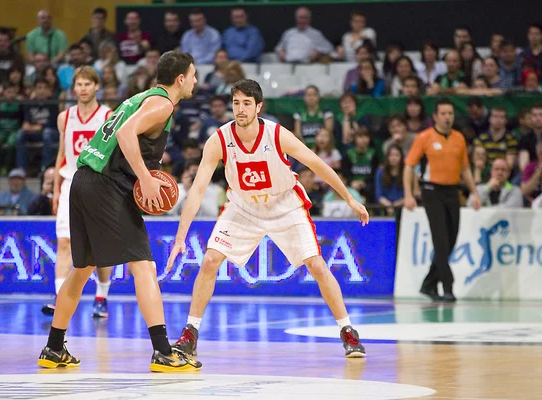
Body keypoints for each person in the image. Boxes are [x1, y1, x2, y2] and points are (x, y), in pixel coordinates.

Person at [165, 79, 369, 361]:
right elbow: (198, 189)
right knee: (210, 259)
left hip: (284, 204)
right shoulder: (219, 140)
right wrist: (180, 236)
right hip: (243, 206)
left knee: (317, 265)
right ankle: (190, 334)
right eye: (236, 103)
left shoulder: (276, 134)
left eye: (247, 103)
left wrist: (348, 198)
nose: (240, 109)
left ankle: (347, 331)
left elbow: (316, 163)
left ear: (259, 107)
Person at [37, 51, 200, 372]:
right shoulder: (163, 103)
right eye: (193, 75)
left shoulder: (140, 97)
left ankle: (54, 347)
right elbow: (126, 134)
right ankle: (163, 351)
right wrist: (145, 179)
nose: (196, 81)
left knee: (82, 267)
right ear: (180, 79)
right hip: (105, 185)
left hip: (82, 179)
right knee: (143, 264)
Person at [40, 66, 114, 318]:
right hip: (70, 181)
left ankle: (102, 295)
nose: (83, 89)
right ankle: (60, 296)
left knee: (100, 248)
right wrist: (57, 188)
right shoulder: (65, 117)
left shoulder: (107, 115)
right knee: (64, 242)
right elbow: (62, 153)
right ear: (74, 88)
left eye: (87, 84)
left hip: (97, 184)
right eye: (79, 85)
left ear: (96, 86)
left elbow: (112, 155)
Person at [403, 98, 481, 303]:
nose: (447, 117)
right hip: (431, 191)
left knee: (452, 240)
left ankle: (428, 284)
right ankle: (448, 287)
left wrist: (474, 193)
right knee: (440, 240)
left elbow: (465, 168)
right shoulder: (425, 137)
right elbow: (409, 166)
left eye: (450, 113)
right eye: (444, 113)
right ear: (436, 116)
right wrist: (409, 194)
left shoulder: (459, 138)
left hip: (452, 191)